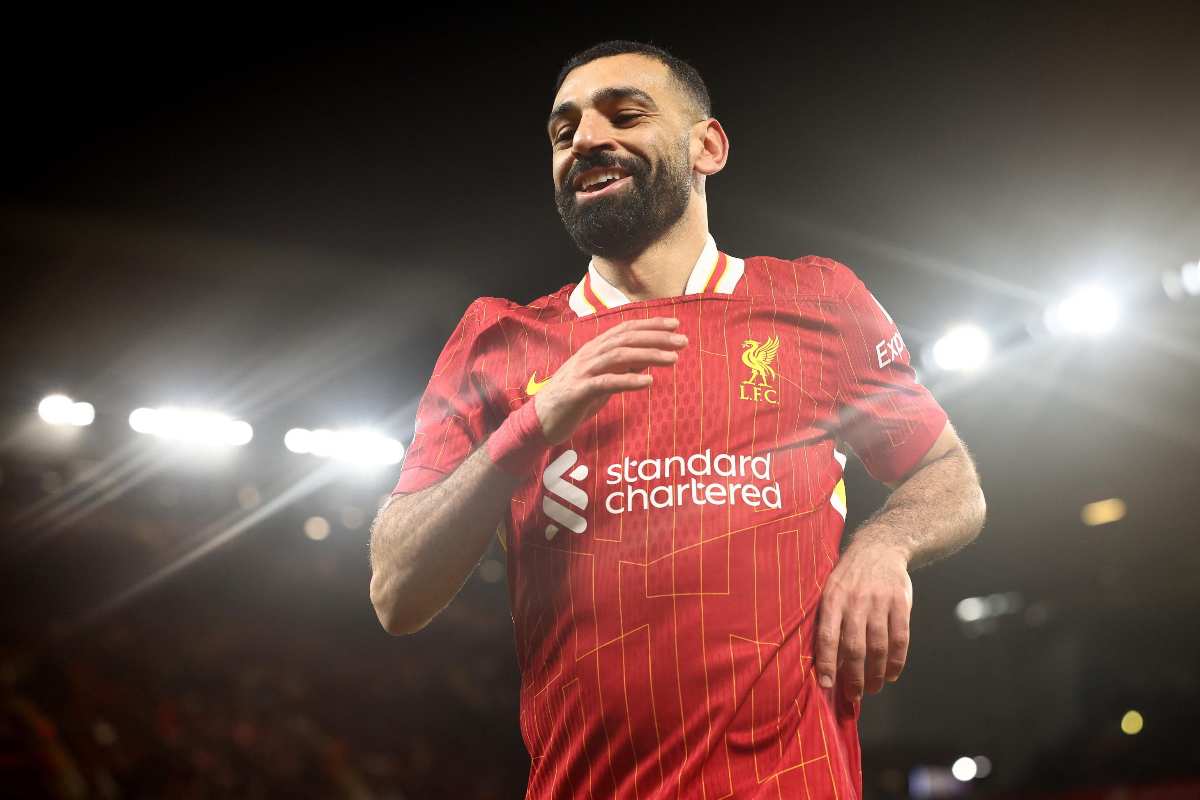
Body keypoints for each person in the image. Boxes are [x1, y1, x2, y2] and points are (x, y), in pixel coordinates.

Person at [369, 39, 986, 799]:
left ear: (708, 147)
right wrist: (530, 425)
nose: (586, 139)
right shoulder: (498, 340)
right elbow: (396, 592)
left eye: (625, 115)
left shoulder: (818, 302)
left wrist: (884, 545)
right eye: (564, 131)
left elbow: (948, 475)